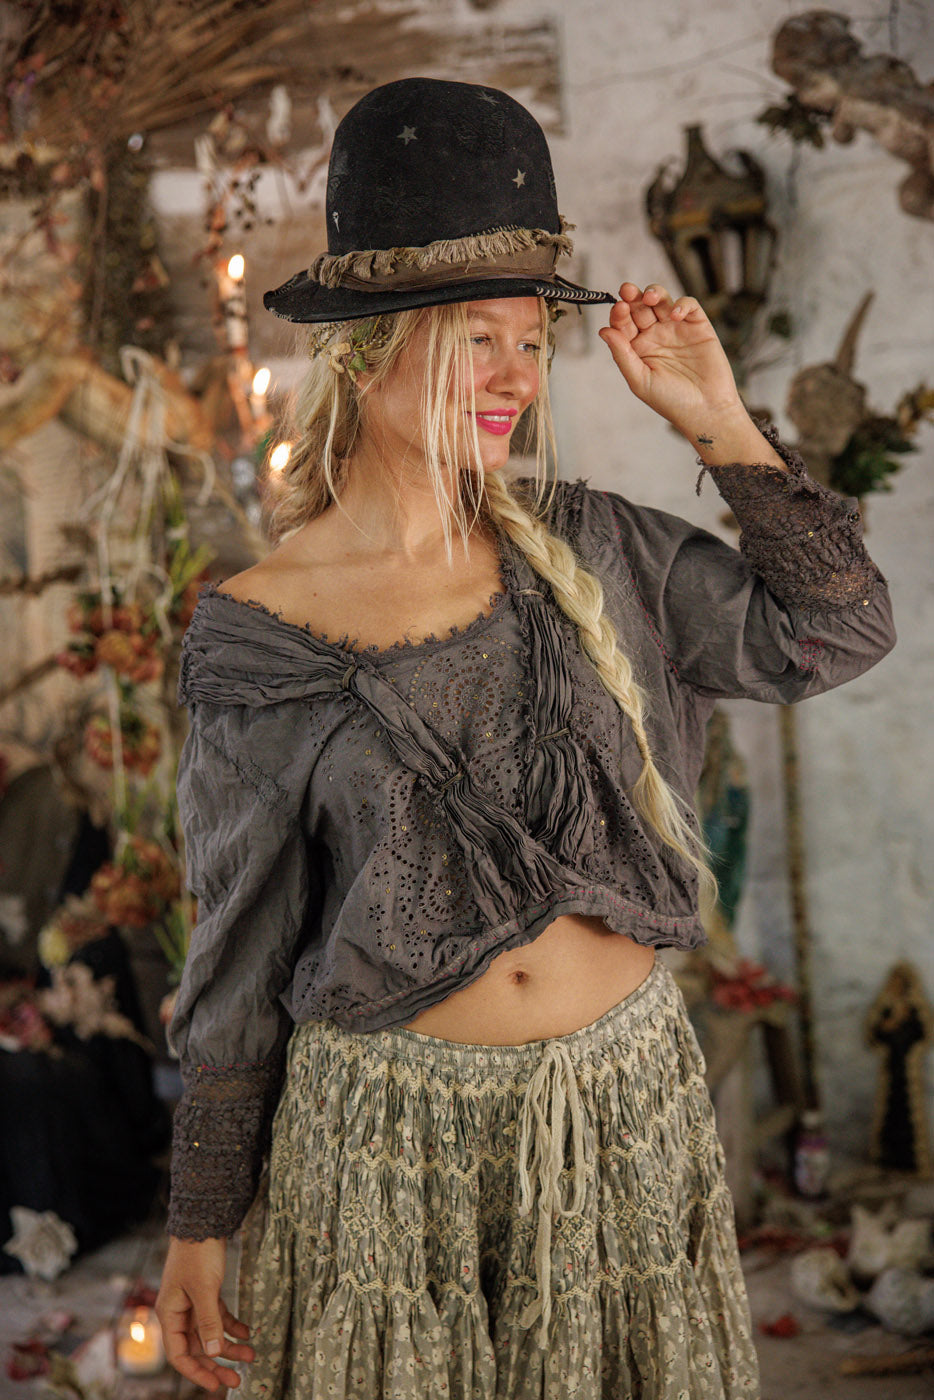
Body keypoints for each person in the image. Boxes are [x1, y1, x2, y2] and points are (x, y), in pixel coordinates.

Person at [155, 78, 894, 1399]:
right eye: (475, 338)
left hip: (623, 1117)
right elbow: (241, 944)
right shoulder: (261, 635)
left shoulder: (601, 548)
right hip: (387, 1150)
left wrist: (717, 422)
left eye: (530, 338)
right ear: (363, 351)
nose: (515, 375)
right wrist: (200, 1220)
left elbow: (835, 632)